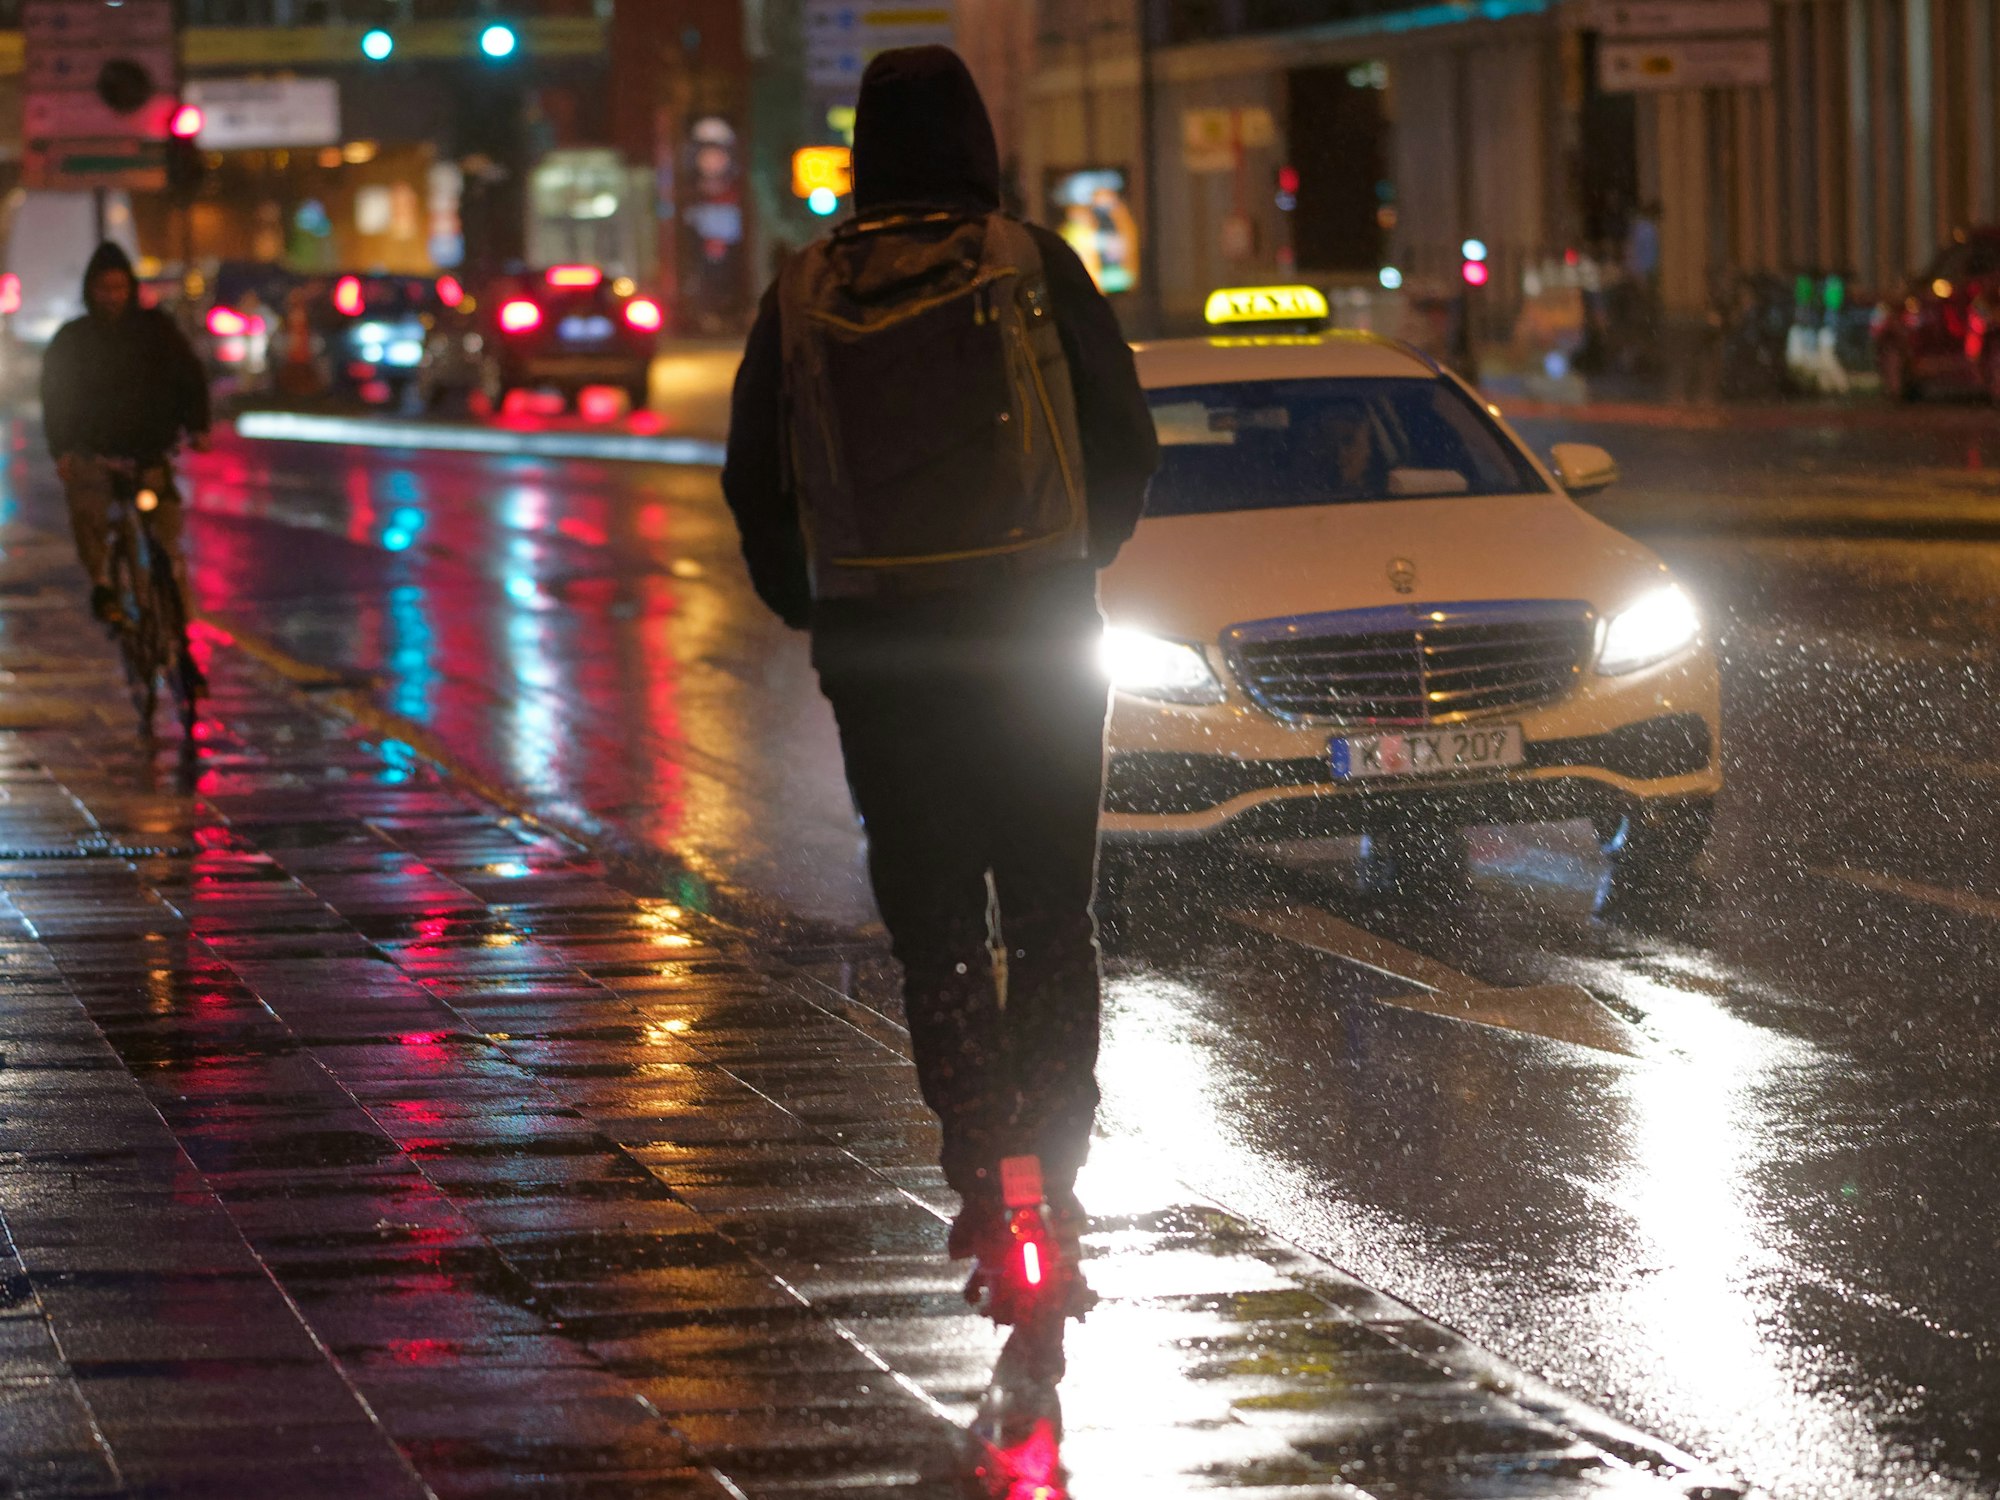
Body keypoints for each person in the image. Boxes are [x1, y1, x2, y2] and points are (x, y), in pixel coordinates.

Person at [722, 46, 1159, 1271]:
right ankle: (1052, 1162)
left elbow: (753, 480)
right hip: (1034, 634)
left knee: (937, 925)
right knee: (1048, 912)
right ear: (977, 140)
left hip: (883, 655)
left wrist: (823, 608)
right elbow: (1125, 436)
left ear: (861, 150)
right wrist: (1075, 555)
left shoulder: (802, 287)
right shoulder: (1033, 264)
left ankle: (978, 1153)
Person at [41, 241, 211, 626]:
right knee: (90, 513)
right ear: (90, 290)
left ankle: (180, 635)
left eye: (119, 288)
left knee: (167, 537)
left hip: (149, 451)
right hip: (95, 453)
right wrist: (63, 449)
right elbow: (55, 396)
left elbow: (188, 377)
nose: (113, 297)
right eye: (105, 289)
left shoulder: (156, 329)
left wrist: (197, 426)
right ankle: (102, 582)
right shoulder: (73, 338)